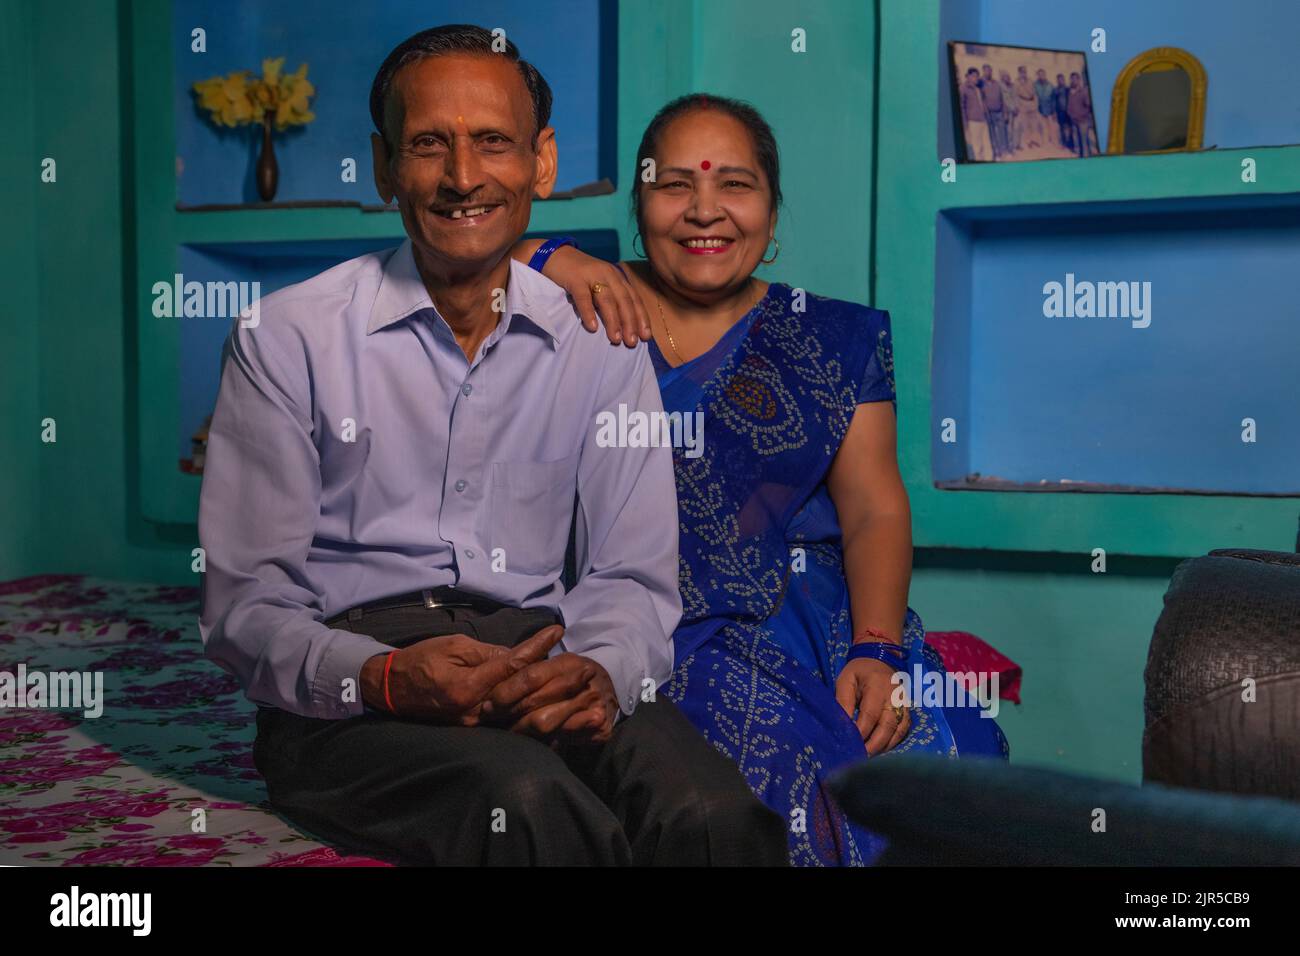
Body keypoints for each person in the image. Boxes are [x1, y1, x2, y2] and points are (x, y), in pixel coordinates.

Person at [197, 26, 788, 867]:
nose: (463, 176)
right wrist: (385, 677)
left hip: (540, 655)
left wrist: (601, 671)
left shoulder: (599, 339)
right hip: (354, 692)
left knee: (710, 812)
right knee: (526, 801)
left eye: (493, 143)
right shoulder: (288, 337)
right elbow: (245, 606)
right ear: (383, 165)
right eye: (430, 144)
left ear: (540, 162)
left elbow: (630, 573)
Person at [518, 94, 1009, 866]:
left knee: (956, 766)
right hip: (656, 623)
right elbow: (455, 260)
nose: (703, 211)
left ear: (772, 211)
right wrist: (555, 255)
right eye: (674, 184)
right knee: (786, 778)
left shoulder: (833, 338)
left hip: (814, 616)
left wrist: (876, 651)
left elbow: (875, 509)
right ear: (639, 202)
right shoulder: (588, 307)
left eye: (734, 186)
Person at [959, 67, 993, 161]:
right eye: (973, 76)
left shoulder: (978, 89)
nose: (976, 78)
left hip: (983, 120)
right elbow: (962, 108)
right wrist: (966, 126)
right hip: (973, 122)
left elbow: (983, 103)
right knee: (977, 147)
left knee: (987, 144)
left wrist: (987, 116)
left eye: (977, 76)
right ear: (968, 76)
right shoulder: (963, 88)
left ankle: (989, 163)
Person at [980, 64, 1009, 158]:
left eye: (990, 70)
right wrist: (986, 112)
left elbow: (1002, 98)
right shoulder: (980, 83)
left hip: (999, 112)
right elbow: (981, 99)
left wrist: (1004, 112)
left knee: (1002, 132)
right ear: (983, 71)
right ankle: (997, 153)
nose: (988, 72)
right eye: (986, 70)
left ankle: (1004, 151)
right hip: (989, 113)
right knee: (992, 135)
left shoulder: (996, 83)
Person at [1067, 72, 1096, 157]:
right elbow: (1069, 105)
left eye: (1075, 79)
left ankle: (1086, 160)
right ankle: (1081, 157)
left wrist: (1082, 115)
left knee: (1084, 143)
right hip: (1074, 121)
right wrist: (1070, 113)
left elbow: (1089, 106)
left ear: (1079, 80)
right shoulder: (1070, 92)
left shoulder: (1084, 91)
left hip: (1083, 121)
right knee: (1078, 142)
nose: (1073, 81)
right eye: (1072, 79)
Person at [1034, 68, 1057, 147]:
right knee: (1043, 126)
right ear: (1038, 76)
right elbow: (1034, 95)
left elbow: (1054, 98)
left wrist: (1054, 111)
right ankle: (1045, 141)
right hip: (1041, 108)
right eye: (1039, 75)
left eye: (1042, 74)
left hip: (1050, 108)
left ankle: (1054, 141)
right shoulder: (1035, 84)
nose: (1041, 76)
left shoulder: (1050, 85)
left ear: (1045, 75)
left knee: (1051, 126)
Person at [1053, 73, 1073, 152]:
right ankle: (1064, 143)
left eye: (1061, 79)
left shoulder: (1068, 89)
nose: (1060, 81)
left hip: (1068, 111)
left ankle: (1071, 144)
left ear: (1064, 80)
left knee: (1070, 128)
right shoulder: (1055, 90)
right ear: (1057, 80)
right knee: (1061, 128)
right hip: (1060, 112)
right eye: (1058, 79)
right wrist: (1054, 112)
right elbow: (1054, 102)